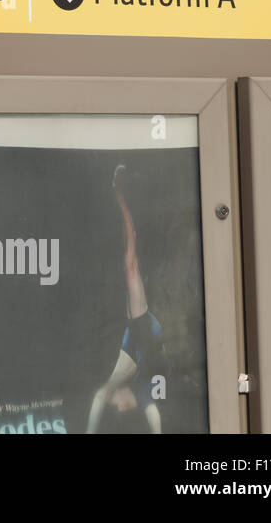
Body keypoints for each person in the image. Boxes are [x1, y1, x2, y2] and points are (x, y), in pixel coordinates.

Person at [88, 164, 166, 434]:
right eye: (121, 405)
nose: (118, 404)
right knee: (104, 395)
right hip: (140, 339)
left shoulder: (139, 315)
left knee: (101, 395)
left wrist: (118, 194)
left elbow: (131, 262)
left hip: (142, 332)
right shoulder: (141, 390)